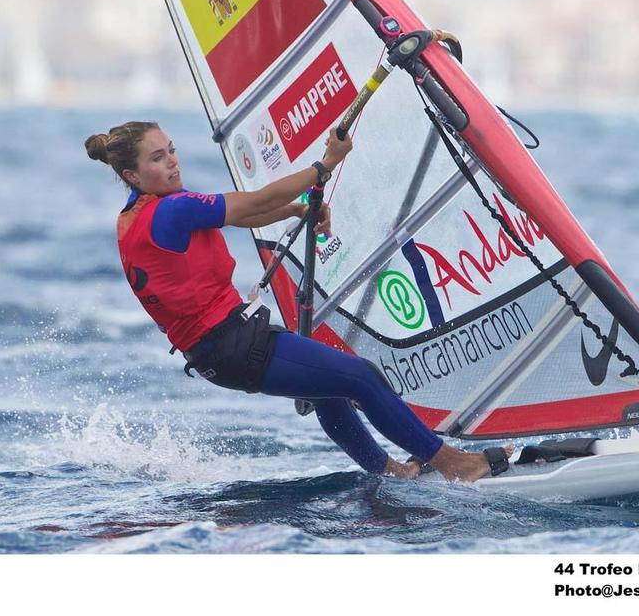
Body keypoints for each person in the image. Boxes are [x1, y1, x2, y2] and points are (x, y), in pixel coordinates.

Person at [85, 121, 512, 482]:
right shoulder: (171, 211)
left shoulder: (137, 217)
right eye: (157, 158)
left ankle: (393, 473)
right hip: (234, 343)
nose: (172, 161)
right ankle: (454, 464)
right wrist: (325, 165)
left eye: (171, 151)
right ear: (133, 175)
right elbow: (254, 200)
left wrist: (294, 212)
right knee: (360, 376)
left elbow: (245, 215)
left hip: (220, 351)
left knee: (330, 390)